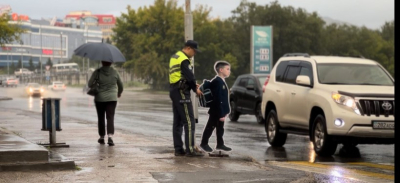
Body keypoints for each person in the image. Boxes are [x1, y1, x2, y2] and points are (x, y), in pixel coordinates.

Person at [169, 40, 204, 157]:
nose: (194, 53)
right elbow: (189, 76)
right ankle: (190, 150)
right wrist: (195, 88)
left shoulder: (175, 56)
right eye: (194, 51)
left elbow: (180, 75)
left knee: (178, 122)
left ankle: (178, 149)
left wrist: (192, 84)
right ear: (188, 48)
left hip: (174, 90)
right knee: (189, 121)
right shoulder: (184, 59)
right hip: (182, 91)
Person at [88, 61, 123, 146]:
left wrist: (96, 82)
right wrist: (119, 93)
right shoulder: (115, 72)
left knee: (101, 117)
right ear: (111, 63)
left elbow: (89, 84)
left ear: (102, 62)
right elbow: (121, 85)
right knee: (110, 117)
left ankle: (102, 137)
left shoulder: (97, 72)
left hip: (100, 98)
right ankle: (110, 137)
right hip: (112, 98)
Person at [200, 61, 232, 153]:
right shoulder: (217, 82)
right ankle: (204, 143)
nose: (229, 71)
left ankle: (220, 144)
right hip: (216, 110)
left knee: (220, 128)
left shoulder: (221, 81)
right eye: (227, 69)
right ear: (221, 70)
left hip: (220, 110)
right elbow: (218, 99)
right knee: (210, 126)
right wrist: (221, 113)